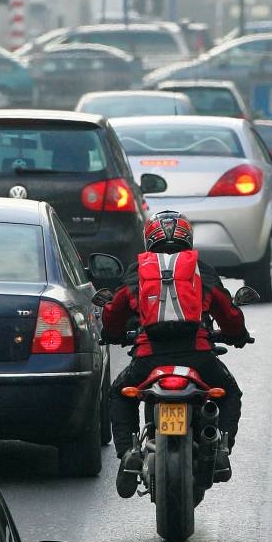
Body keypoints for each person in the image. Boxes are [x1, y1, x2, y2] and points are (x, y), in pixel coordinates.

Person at [101, 210, 251, 498]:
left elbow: (114, 313)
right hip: (198, 357)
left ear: (149, 240)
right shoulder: (201, 270)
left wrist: (112, 334)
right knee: (230, 391)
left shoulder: (137, 271)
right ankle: (221, 450)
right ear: (188, 239)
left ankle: (128, 454)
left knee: (120, 393)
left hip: (148, 359)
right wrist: (238, 335)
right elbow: (228, 312)